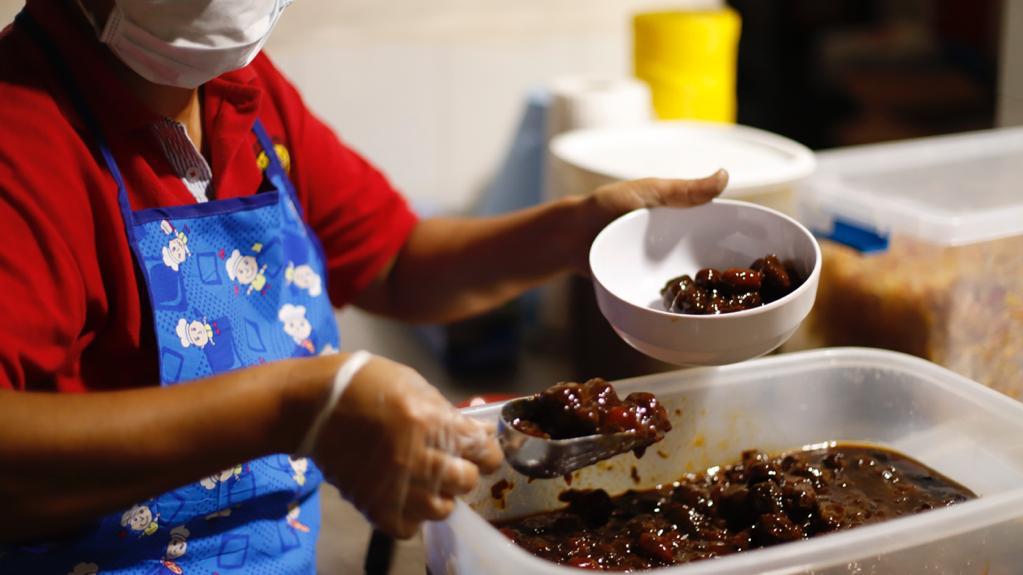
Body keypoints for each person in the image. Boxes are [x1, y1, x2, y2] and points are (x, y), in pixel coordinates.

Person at [0, 0, 728, 573]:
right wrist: (302, 403)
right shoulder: (21, 141)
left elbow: (398, 262)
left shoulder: (243, 97)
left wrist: (572, 233)